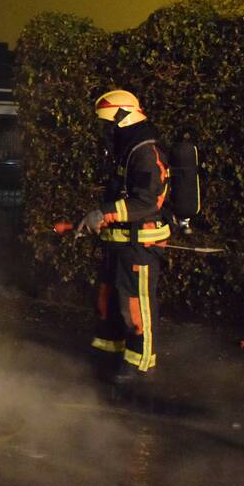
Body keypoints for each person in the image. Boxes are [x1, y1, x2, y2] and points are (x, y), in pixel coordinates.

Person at [78, 90, 170, 381]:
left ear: (123, 117)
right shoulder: (129, 148)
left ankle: (140, 363)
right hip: (119, 241)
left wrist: (104, 213)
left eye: (110, 123)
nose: (107, 129)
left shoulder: (144, 151)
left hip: (139, 244)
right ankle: (109, 351)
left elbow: (146, 202)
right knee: (109, 299)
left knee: (136, 305)